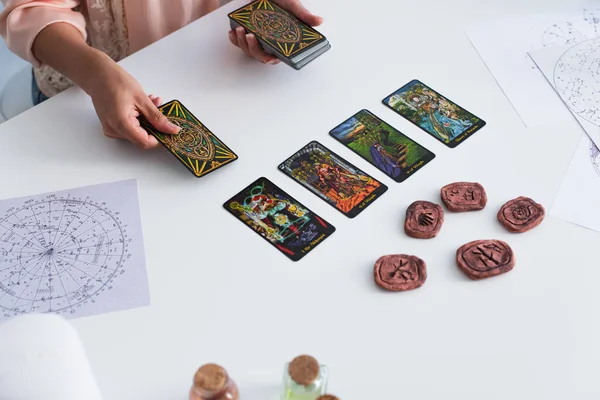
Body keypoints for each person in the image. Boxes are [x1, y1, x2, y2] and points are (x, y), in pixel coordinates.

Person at [0, 0, 322, 150]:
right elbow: (30, 12)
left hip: (215, 74)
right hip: (85, 87)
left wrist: (259, 16)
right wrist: (97, 74)